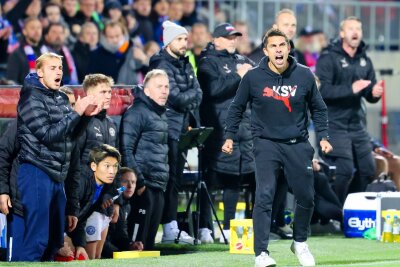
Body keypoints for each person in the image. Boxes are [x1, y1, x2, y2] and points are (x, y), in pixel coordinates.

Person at [222, 28, 332, 267]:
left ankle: (300, 242)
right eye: (273, 46)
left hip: (297, 144)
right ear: (266, 51)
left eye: (282, 45)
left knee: (306, 197)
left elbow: (319, 108)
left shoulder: (304, 75)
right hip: (265, 144)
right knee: (264, 196)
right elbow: (236, 108)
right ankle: (260, 253)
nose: (279, 49)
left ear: (289, 48)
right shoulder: (252, 77)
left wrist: (323, 136)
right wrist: (229, 136)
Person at [7, 52, 102, 261]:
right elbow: (48, 136)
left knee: (54, 240)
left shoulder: (59, 97)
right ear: (39, 72)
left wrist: (85, 117)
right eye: (52, 68)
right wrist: (76, 112)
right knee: (37, 239)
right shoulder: (30, 97)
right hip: (36, 171)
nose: (59, 71)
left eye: (60, 67)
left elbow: (70, 137)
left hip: (57, 174)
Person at [196, 22, 254, 244]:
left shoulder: (243, 60)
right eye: (229, 37)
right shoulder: (207, 63)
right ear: (216, 40)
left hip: (243, 129)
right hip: (218, 130)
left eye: (235, 38)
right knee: (211, 179)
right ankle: (204, 227)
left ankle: (229, 228)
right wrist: (238, 77)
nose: (233, 41)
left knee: (235, 179)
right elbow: (212, 91)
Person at [315, 16, 383, 204]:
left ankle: (351, 206)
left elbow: (369, 92)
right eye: (351, 29)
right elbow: (321, 90)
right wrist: (350, 89)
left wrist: (375, 93)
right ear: (342, 33)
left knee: (368, 170)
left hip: (356, 124)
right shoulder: (328, 58)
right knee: (344, 170)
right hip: (334, 124)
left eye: (358, 29)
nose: (355, 32)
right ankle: (335, 212)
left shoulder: (365, 61)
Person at [149, 20, 202, 245]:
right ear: (169, 41)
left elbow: (198, 93)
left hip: (180, 127)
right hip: (166, 127)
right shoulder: (161, 63)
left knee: (176, 179)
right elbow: (177, 98)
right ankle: (168, 227)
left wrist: (188, 95)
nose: (184, 43)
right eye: (180, 39)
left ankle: (171, 226)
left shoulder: (185, 62)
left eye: (185, 39)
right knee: (169, 180)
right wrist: (189, 95)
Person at [119, 69, 170, 250]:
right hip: (144, 185)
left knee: (149, 246)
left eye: (166, 87)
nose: (164, 90)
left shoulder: (160, 113)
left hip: (157, 185)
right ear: (147, 91)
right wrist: (139, 183)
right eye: (159, 87)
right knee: (136, 245)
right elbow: (126, 149)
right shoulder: (137, 112)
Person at [66, 144, 122, 260]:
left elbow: (80, 219)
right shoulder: (81, 181)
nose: (112, 171)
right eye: (107, 166)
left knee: (85, 257)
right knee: (70, 258)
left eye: (115, 166)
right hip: (53, 230)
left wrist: (80, 245)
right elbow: (59, 211)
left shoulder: (103, 186)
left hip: (73, 229)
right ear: (93, 166)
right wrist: (62, 238)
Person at [102, 167, 143, 258]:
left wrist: (130, 245)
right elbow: (100, 238)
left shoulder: (127, 206)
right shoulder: (107, 200)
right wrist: (118, 253)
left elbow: (121, 234)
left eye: (133, 182)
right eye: (125, 181)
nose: (130, 186)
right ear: (117, 183)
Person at [6, 17, 43, 85]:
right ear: (24, 31)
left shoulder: (46, 52)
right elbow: (11, 82)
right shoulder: (16, 54)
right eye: (32, 28)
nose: (36, 31)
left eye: (39, 28)